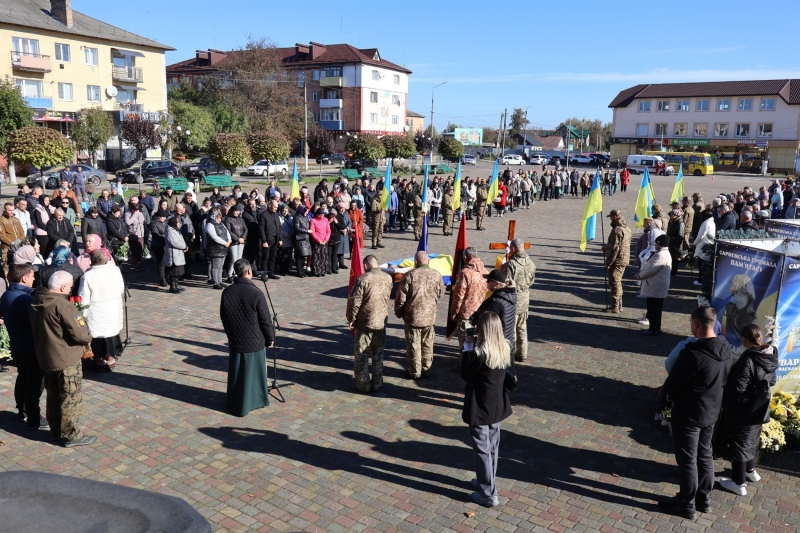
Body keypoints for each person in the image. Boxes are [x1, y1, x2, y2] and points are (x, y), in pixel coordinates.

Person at [659, 306, 732, 520]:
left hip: (689, 413)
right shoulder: (726, 348)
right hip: (712, 411)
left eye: (691, 323)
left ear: (697, 324)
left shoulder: (692, 353)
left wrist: (671, 397)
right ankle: (704, 499)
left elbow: (673, 384)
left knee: (688, 460)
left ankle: (686, 504)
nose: (690, 326)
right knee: (705, 454)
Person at [29, 270, 95, 448]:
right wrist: (88, 336)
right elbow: (81, 335)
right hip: (66, 359)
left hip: (46, 358)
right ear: (63, 286)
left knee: (53, 396)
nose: (71, 290)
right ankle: (71, 435)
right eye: (70, 287)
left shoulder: (36, 301)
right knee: (70, 397)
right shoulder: (63, 306)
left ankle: (55, 431)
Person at [461, 311, 513, 508]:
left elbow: (465, 374)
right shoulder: (505, 347)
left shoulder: (478, 353)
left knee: (482, 449)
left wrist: (467, 345)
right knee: (492, 446)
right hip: (497, 404)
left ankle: (488, 493)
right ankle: (488, 482)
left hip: (480, 405)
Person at [718, 324, 777, 496]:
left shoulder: (748, 358)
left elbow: (738, 387)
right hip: (759, 406)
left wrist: (723, 391)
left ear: (745, 339)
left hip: (743, 408)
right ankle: (750, 471)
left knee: (739, 442)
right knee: (751, 439)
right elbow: (771, 381)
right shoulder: (770, 354)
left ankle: (738, 482)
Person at [219, 259, 274, 417]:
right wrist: (270, 338)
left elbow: (224, 316)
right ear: (249, 271)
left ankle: (237, 403)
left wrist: (230, 334)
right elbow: (265, 320)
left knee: (238, 374)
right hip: (254, 341)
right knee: (254, 374)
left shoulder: (227, 291)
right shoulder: (256, 292)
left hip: (236, 339)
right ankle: (255, 401)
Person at [1, 264, 46, 429]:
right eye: (32, 275)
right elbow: (37, 323)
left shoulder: (7, 294)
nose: (34, 278)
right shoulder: (25, 299)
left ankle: (22, 411)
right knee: (34, 383)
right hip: (30, 346)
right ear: (24, 278)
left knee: (23, 378)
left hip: (17, 344)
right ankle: (34, 418)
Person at [394, 251, 445, 379]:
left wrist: (399, 313)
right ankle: (426, 369)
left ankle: (415, 372)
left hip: (413, 318)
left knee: (413, 345)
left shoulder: (410, 275)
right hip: (429, 318)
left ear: (416, 262)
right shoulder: (436, 275)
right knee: (427, 344)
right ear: (428, 261)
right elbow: (441, 292)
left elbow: (400, 298)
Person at [346, 255, 393, 393]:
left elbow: (355, 302)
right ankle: (377, 383)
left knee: (362, 355)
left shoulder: (362, 279)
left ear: (366, 265)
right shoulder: (388, 278)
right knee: (378, 355)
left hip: (365, 323)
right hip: (381, 322)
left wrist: (351, 319)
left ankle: (363, 385)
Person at [78, 250, 124, 371]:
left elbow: (84, 298)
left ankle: (99, 361)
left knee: (98, 337)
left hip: (96, 311)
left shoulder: (88, 276)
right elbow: (121, 289)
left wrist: (82, 315)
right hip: (113, 308)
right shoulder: (116, 271)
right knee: (111, 334)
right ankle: (110, 359)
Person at [500, 238, 537, 362]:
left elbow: (505, 282)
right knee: (522, 327)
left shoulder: (511, 264)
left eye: (511, 248)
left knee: (511, 328)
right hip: (525, 298)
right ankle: (522, 353)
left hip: (513, 299)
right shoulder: (531, 263)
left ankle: (511, 353)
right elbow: (531, 281)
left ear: (514, 249)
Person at [450, 248, 488, 353]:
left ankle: (465, 366)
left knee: (466, 343)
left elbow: (458, 295)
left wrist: (454, 312)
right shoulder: (485, 271)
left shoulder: (465, 273)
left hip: (466, 314)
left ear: (465, 257)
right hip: (480, 313)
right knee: (477, 342)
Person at [633, 234, 672, 336]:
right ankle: (654, 328)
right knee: (654, 309)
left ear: (659, 244)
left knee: (654, 309)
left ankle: (653, 329)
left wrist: (639, 275)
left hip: (656, 285)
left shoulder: (661, 255)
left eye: (656, 242)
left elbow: (651, 270)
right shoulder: (662, 253)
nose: (654, 244)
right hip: (656, 285)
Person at [471, 269, 516, 350]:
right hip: (508, 341)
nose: (486, 282)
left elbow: (488, 323)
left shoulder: (495, 303)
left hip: (495, 345)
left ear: (496, 284)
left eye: (488, 280)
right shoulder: (510, 296)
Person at [602, 209, 632, 313]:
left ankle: (615, 306)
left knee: (614, 282)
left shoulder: (617, 230)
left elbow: (615, 248)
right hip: (624, 258)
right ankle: (619, 305)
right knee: (618, 282)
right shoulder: (627, 228)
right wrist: (607, 248)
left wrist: (608, 262)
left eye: (610, 216)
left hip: (617, 260)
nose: (610, 218)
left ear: (615, 216)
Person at [205, 207, 232, 290]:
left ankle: (219, 281)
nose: (220, 220)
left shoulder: (221, 224)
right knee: (216, 266)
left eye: (220, 218)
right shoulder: (209, 225)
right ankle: (215, 282)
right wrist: (225, 243)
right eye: (218, 218)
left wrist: (229, 240)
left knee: (221, 266)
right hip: (215, 249)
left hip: (223, 248)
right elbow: (214, 237)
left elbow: (227, 232)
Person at [258, 199, 282, 281]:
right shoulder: (263, 215)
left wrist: (280, 239)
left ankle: (271, 272)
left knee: (273, 257)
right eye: (274, 207)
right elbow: (261, 229)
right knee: (265, 257)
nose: (276, 209)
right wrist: (264, 241)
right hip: (267, 240)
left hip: (275, 239)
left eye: (277, 207)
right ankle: (264, 274)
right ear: (270, 205)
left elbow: (279, 227)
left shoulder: (276, 215)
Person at [0, 202, 26, 275]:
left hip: (18, 247)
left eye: (13, 210)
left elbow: (22, 233)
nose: (12, 212)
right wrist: (12, 243)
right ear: (4, 210)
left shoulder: (16, 220)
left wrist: (20, 242)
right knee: (7, 268)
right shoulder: (1, 220)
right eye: (9, 210)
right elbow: (2, 235)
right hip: (7, 248)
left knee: (18, 268)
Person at [165, 216, 188, 294]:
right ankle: (173, 286)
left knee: (178, 272)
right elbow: (175, 242)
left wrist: (185, 246)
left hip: (178, 253)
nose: (179, 224)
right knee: (173, 272)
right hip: (173, 255)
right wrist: (184, 246)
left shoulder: (175, 229)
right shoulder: (170, 231)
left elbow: (181, 240)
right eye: (177, 222)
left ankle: (176, 285)